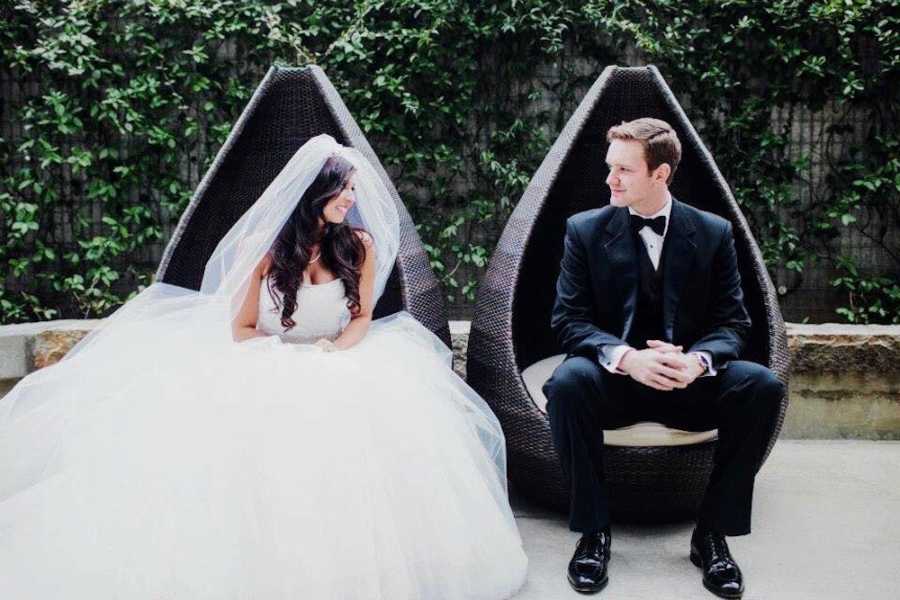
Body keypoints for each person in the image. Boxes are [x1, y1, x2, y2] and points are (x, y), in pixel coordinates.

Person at [0, 135, 527, 599]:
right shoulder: (269, 253)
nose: (351, 199)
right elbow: (242, 329)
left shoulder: (358, 246)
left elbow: (363, 316)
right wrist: (288, 358)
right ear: (315, 191)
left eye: (353, 190)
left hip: (337, 356)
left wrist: (335, 352)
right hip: (267, 357)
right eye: (343, 188)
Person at [543, 118, 784, 598]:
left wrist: (697, 361)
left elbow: (733, 323)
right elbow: (568, 320)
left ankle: (711, 535)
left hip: (687, 383)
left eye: (624, 170)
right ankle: (594, 533)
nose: (610, 179)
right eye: (610, 167)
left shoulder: (712, 233)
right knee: (567, 384)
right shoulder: (584, 231)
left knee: (762, 387)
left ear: (661, 174)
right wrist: (626, 358)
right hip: (615, 383)